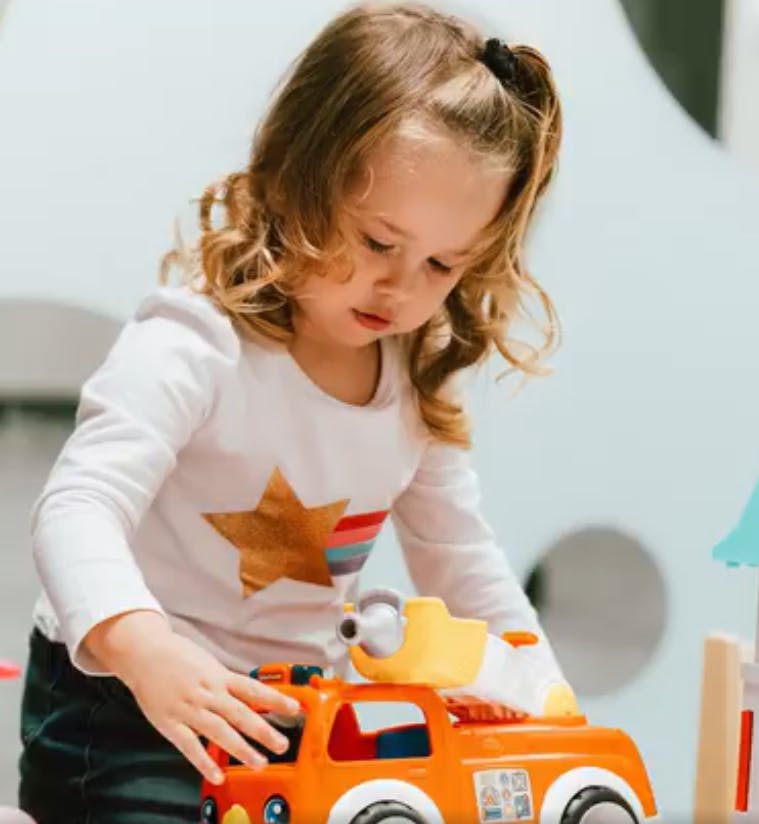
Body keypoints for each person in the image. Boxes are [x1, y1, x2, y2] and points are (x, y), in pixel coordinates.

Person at [18, 2, 569, 822]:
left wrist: (544, 693)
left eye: (442, 264)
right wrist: (144, 649)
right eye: (378, 242)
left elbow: (459, 559)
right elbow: (77, 507)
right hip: (126, 703)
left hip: (293, 709)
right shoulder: (196, 342)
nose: (400, 287)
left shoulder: (415, 380)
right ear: (293, 179)